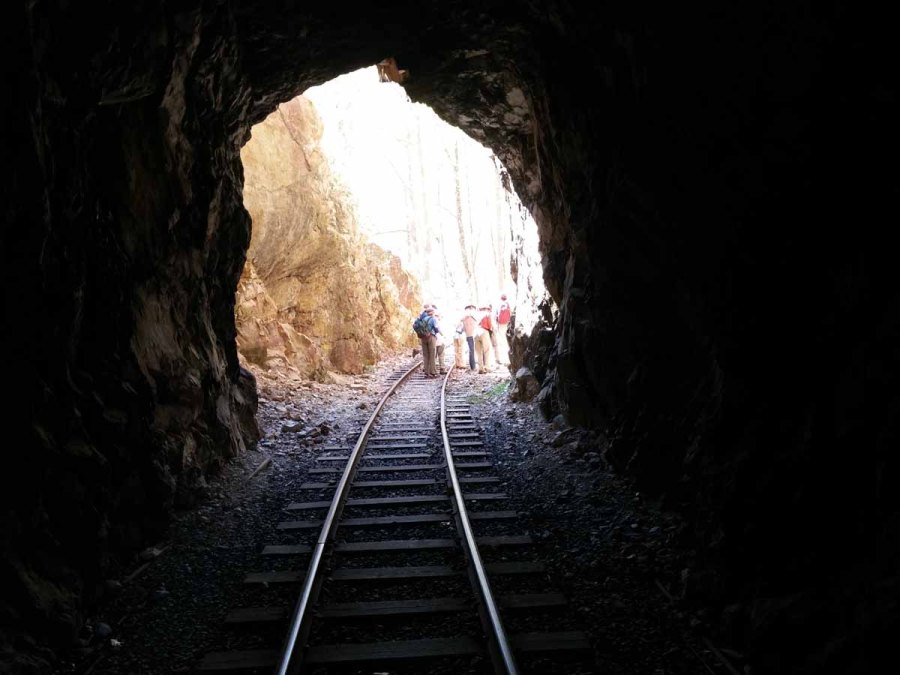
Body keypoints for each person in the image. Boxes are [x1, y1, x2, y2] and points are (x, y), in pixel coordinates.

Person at [475, 304, 494, 374]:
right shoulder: (487, 314)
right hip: (484, 331)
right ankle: (487, 367)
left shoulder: (476, 314)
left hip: (476, 332)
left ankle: (480, 368)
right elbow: (489, 325)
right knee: (487, 350)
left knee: (478, 352)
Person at [495, 293, 511, 366]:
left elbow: (497, 315)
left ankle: (504, 359)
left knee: (502, 341)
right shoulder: (508, 304)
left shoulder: (499, 304)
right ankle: (509, 359)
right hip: (507, 323)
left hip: (501, 324)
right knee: (507, 340)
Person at [462, 304, 478, 371]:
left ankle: (473, 366)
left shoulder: (464, 318)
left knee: (471, 350)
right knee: (472, 351)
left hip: (469, 335)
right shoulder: (471, 317)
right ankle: (473, 366)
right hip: (473, 335)